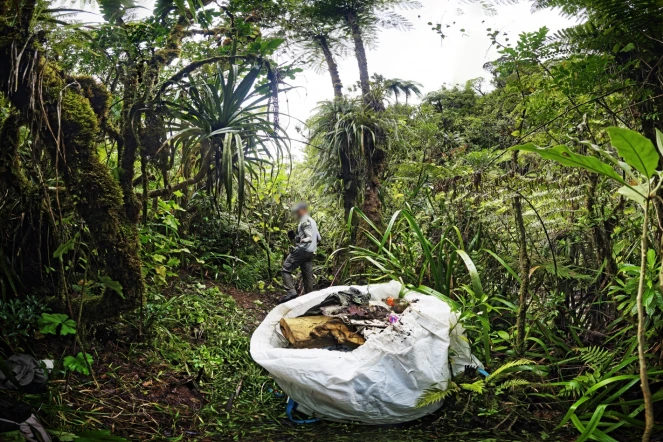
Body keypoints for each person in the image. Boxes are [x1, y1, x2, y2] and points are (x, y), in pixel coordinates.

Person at [278, 202, 321, 304]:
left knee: (285, 269)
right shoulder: (313, 222)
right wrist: (296, 238)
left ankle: (291, 292)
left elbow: (309, 237)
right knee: (308, 277)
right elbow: (319, 238)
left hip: (302, 250)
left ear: (302, 211)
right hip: (310, 253)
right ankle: (309, 301)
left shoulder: (304, 221)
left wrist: (303, 241)